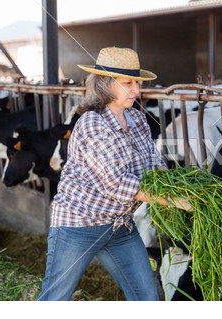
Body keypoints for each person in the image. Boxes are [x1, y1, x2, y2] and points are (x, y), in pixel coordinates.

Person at [37, 47, 191, 301]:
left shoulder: (138, 120)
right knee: (56, 298)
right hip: (80, 224)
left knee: (147, 299)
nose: (137, 90)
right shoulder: (92, 124)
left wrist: (177, 187)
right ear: (106, 84)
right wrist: (173, 200)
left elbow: (154, 165)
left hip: (120, 226)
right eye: (128, 83)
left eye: (138, 83)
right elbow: (116, 185)